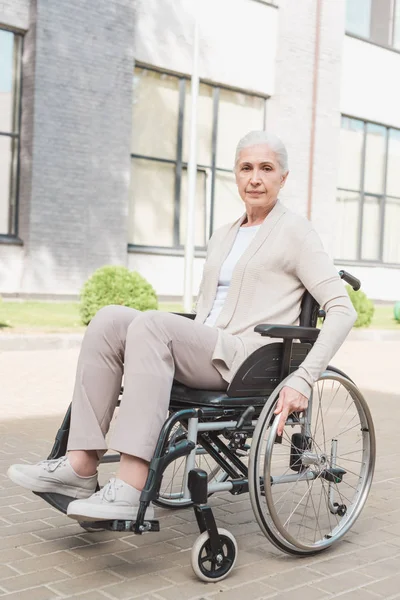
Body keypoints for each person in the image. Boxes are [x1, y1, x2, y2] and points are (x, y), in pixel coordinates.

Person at [7, 130, 357, 522]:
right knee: (110, 319)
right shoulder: (224, 235)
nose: (255, 178)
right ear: (236, 175)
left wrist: (303, 378)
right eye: (246, 168)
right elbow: (208, 310)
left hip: (248, 357)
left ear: (283, 178)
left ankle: (130, 484)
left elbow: (342, 309)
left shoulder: (296, 232)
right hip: (210, 345)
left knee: (153, 326)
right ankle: (79, 466)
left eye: (266, 168)